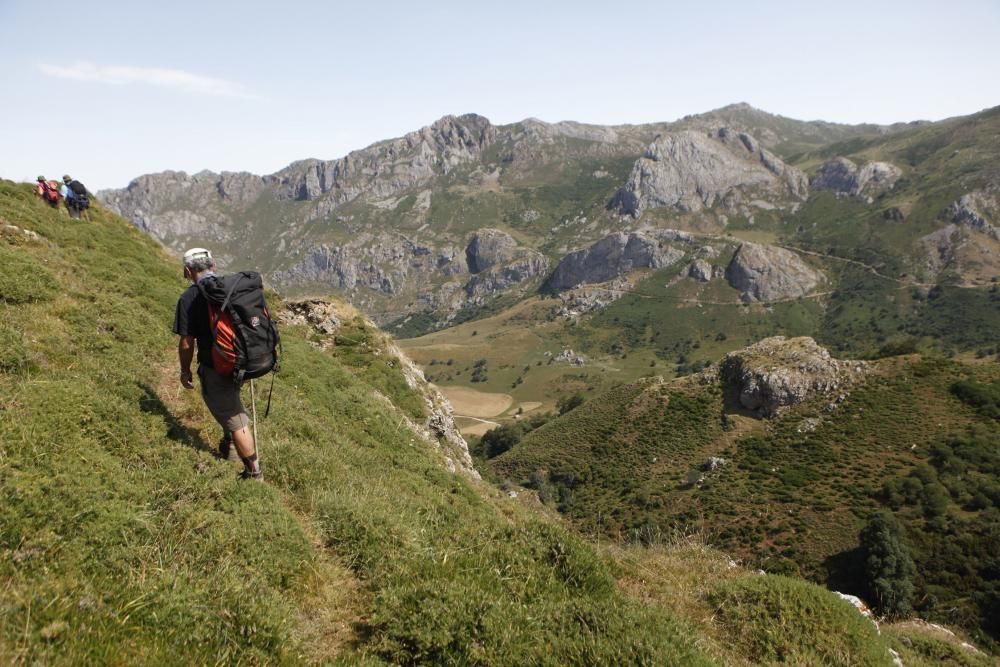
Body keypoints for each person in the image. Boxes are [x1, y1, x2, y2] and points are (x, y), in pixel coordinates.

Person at [173, 247, 263, 480]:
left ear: (187, 271)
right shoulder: (232, 287)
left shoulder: (188, 298)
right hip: (243, 359)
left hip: (216, 365)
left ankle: (254, 474)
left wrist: (185, 370)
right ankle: (230, 443)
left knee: (235, 418)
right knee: (228, 402)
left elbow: (186, 342)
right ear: (213, 265)